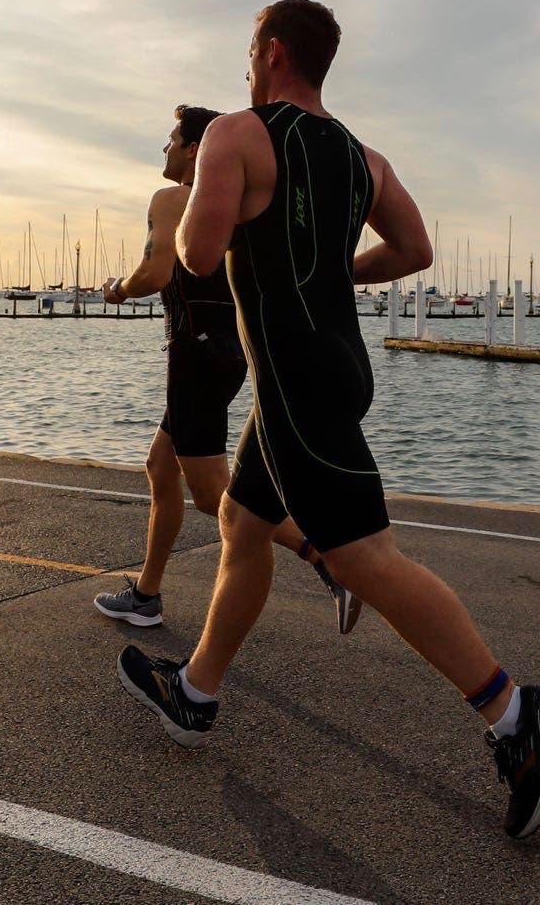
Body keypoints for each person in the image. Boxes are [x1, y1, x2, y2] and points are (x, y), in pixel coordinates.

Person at [117, 0, 540, 838]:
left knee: (366, 556)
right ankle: (195, 691)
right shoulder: (365, 158)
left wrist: (194, 202)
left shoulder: (238, 134)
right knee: (242, 521)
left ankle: (514, 712)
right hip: (335, 367)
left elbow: (196, 252)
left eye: (249, 52)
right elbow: (414, 251)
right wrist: (333, 270)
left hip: (293, 382)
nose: (244, 68)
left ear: (274, 50)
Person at [92, 104, 362, 635]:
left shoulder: (172, 200)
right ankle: (147, 593)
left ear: (196, 149)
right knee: (160, 467)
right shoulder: (238, 204)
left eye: (172, 140)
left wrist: (117, 291)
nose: (166, 150)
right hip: (230, 354)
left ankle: (329, 563)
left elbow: (154, 271)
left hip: (193, 354)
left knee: (217, 495)